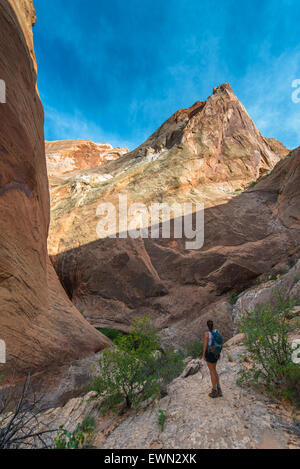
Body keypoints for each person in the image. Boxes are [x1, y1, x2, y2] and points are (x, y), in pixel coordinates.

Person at [202, 320, 223, 398]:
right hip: (216, 354)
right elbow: (219, 343)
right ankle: (219, 389)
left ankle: (214, 391)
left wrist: (203, 355)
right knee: (214, 370)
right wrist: (219, 353)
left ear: (207, 326)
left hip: (210, 354)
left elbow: (205, 346)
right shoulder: (216, 331)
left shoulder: (207, 334)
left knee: (212, 371)